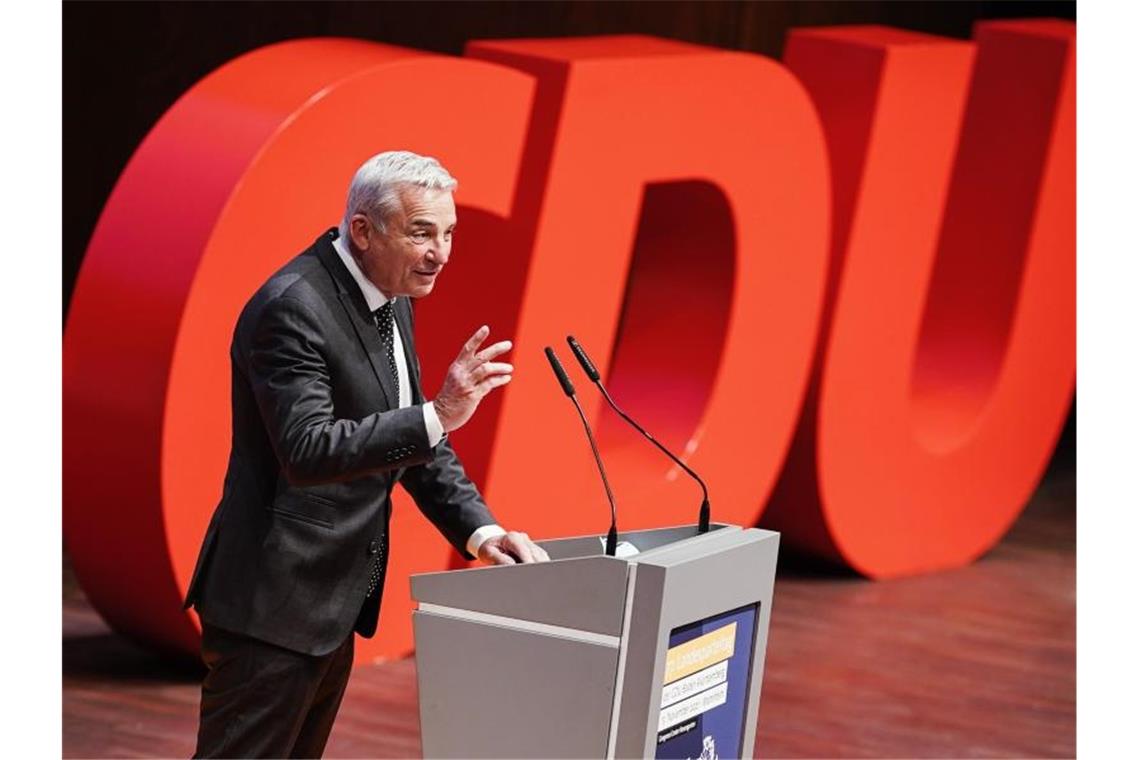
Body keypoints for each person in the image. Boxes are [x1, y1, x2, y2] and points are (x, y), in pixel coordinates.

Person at [182, 150, 549, 758]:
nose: (442, 252)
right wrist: (437, 414)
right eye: (422, 232)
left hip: (331, 601)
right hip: (273, 605)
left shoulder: (388, 292)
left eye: (449, 232)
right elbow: (307, 449)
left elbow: (414, 440)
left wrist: (482, 532)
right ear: (363, 230)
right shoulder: (292, 308)